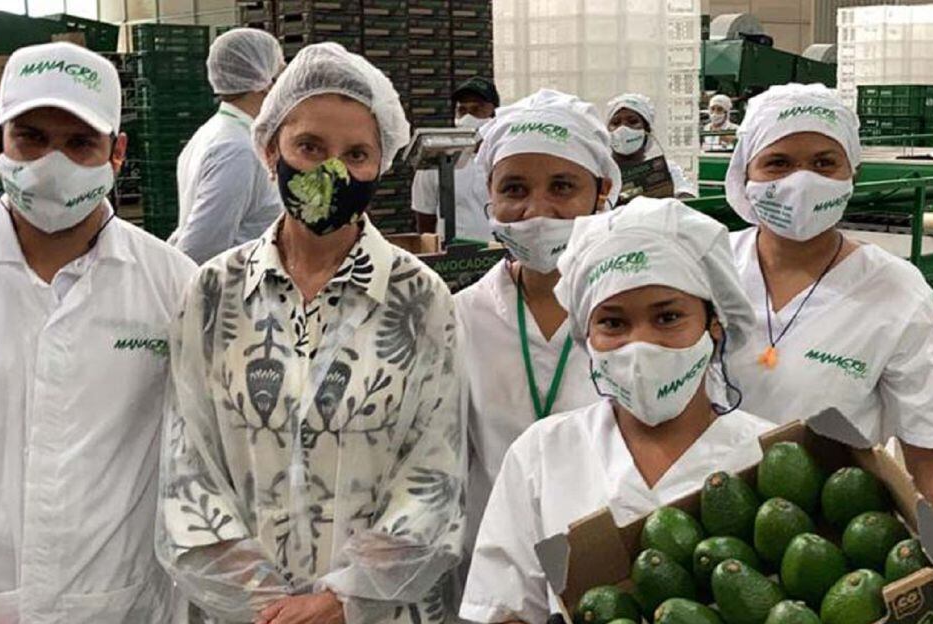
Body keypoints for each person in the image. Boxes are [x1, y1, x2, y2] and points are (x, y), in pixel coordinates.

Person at [157, 42, 464, 624]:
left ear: (382, 163)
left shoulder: (419, 300)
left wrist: (341, 601)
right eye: (309, 147)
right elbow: (187, 467)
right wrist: (266, 605)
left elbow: (434, 476)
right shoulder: (214, 293)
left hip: (380, 613)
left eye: (356, 154)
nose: (332, 171)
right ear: (270, 148)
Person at [0, 42, 195, 621]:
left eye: (79, 143)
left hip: (122, 606)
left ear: (117, 153)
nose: (52, 163)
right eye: (32, 138)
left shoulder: (173, 286)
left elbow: (195, 469)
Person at [460, 198, 775, 624]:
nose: (639, 344)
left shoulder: (769, 455)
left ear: (714, 324)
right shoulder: (543, 453)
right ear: (586, 334)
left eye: (667, 317)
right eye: (612, 323)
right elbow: (503, 606)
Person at [723, 82, 933, 583]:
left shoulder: (895, 292)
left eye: (824, 163)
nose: (802, 182)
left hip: (833, 552)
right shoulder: (708, 271)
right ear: (746, 174)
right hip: (706, 534)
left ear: (852, 175)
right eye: (778, 164)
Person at [454, 88, 619, 578]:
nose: (537, 209)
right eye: (514, 190)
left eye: (563, 187)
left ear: (602, 191)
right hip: (491, 569)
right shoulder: (461, 317)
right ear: (490, 195)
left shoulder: (634, 313)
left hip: (610, 566)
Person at [169, 28, 285, 264]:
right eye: (281, 70)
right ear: (264, 82)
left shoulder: (217, 132)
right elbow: (200, 248)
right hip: (235, 294)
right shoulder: (238, 150)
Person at [411, 76, 499, 243]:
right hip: (454, 257)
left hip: (498, 253)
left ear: (494, 114)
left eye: (476, 109)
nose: (468, 116)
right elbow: (424, 215)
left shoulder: (505, 157)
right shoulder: (437, 159)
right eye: (462, 110)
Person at [606, 92, 697, 200]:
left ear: (647, 131)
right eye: (616, 123)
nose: (623, 129)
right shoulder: (599, 172)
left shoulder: (667, 170)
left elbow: (686, 196)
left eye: (632, 121)